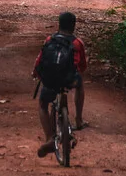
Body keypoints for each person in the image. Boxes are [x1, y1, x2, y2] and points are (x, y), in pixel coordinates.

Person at [33, 11, 88, 157]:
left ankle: (50, 138)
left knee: (43, 105)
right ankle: (78, 119)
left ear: (59, 24)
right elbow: (82, 66)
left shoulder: (49, 39)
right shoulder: (77, 43)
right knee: (80, 85)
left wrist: (36, 74)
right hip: (69, 79)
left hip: (50, 79)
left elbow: (40, 60)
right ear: (73, 26)